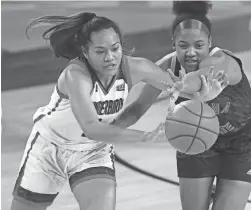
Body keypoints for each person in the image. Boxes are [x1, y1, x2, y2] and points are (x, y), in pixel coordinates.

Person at [11, 12, 223, 210]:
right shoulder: (76, 75)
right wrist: (146, 137)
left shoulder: (136, 67)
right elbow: (92, 127)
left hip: (93, 151)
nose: (110, 57)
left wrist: (202, 93)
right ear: (85, 52)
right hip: (50, 148)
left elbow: (179, 86)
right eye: (100, 51)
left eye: (115, 48)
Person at [113, 1, 251, 210]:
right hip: (195, 143)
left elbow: (198, 77)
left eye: (199, 45)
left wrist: (182, 85)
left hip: (240, 143)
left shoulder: (223, 61)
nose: (191, 53)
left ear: (210, 42)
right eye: (183, 46)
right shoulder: (166, 67)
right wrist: (102, 132)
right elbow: (137, 108)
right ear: (174, 44)